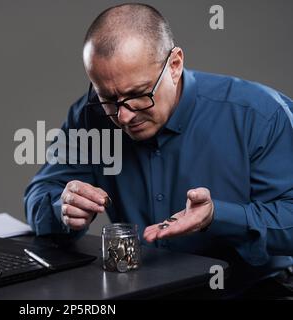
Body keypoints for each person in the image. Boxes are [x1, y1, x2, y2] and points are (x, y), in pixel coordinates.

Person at [24, 3, 293, 298]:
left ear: (175, 65)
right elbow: (41, 194)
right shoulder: (89, 118)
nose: (123, 117)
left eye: (138, 95)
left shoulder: (261, 115)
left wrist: (218, 216)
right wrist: (61, 208)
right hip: (142, 293)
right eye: (108, 98)